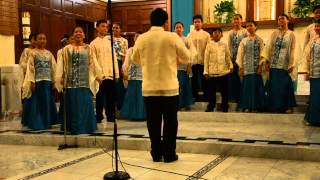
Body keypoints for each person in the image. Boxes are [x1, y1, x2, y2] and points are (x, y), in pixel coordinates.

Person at [132, 8, 191, 163]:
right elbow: (187, 57)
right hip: (169, 87)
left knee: (152, 121)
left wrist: (147, 61)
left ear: (151, 21)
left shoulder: (142, 38)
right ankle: (169, 154)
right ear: (166, 22)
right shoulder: (172, 37)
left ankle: (156, 153)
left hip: (149, 88)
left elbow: (135, 59)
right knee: (171, 121)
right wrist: (174, 60)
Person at [55, 26, 102, 134]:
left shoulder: (89, 48)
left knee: (84, 104)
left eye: (80, 32)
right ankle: (72, 127)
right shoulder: (66, 49)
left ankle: (86, 126)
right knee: (72, 105)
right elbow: (62, 64)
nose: (78, 34)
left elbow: (93, 62)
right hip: (70, 81)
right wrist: (60, 76)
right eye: (76, 32)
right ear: (73, 35)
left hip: (85, 81)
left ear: (84, 35)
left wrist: (98, 75)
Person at [22, 33, 57, 130]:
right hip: (37, 81)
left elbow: (53, 68)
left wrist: (54, 81)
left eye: (44, 39)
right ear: (36, 40)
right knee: (37, 102)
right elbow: (30, 68)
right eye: (40, 38)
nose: (42, 40)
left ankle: (47, 122)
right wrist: (32, 81)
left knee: (47, 102)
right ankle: (38, 122)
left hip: (47, 81)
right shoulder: (32, 53)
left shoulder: (49, 53)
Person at [264, 14, 297, 113]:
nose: (280, 20)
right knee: (274, 85)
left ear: (288, 20)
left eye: (282, 19)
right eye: (279, 19)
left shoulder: (291, 34)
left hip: (285, 64)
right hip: (274, 64)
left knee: (285, 85)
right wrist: (267, 61)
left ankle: (288, 106)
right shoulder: (274, 33)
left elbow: (293, 49)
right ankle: (274, 106)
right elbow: (268, 47)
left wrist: (292, 64)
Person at [90, 19, 119, 123]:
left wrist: (116, 73)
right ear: (97, 27)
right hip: (100, 75)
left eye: (106, 27)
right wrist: (97, 75)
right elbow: (93, 61)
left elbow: (114, 58)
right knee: (100, 97)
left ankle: (110, 115)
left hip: (110, 73)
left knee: (111, 97)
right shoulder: (93, 44)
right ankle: (99, 116)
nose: (105, 28)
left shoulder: (109, 42)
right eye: (102, 26)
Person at [236, 21, 265, 112]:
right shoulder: (244, 40)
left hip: (256, 68)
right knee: (247, 88)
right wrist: (240, 67)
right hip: (246, 68)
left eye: (251, 26)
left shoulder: (260, 40)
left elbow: (263, 53)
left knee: (256, 87)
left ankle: (256, 106)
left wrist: (260, 66)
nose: (249, 27)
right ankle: (247, 105)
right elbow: (240, 54)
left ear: (255, 27)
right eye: (247, 26)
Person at [204, 27, 233, 112]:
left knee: (224, 91)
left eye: (218, 32)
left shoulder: (224, 45)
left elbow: (227, 57)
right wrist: (205, 71)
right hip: (212, 72)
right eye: (215, 32)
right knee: (211, 91)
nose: (216, 34)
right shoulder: (209, 45)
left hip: (223, 72)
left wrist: (230, 66)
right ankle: (211, 106)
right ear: (212, 35)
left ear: (221, 35)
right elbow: (206, 59)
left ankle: (225, 106)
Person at [120, 33, 146, 120]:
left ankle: (142, 114)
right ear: (134, 39)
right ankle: (132, 114)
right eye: (136, 37)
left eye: (139, 37)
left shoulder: (146, 50)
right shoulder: (130, 50)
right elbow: (126, 63)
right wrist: (124, 72)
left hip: (143, 76)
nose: (138, 38)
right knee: (132, 94)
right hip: (133, 75)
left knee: (141, 95)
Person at [187, 15, 211, 101]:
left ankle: (207, 96)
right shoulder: (189, 35)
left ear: (202, 23)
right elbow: (188, 48)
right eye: (195, 22)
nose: (197, 23)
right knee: (194, 80)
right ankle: (195, 97)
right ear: (193, 23)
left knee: (204, 79)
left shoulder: (206, 35)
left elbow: (209, 48)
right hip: (193, 61)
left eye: (198, 22)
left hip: (203, 60)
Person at [174, 21, 197, 110]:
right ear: (174, 29)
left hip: (184, 67)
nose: (178, 29)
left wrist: (189, 64)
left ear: (183, 29)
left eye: (180, 27)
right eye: (177, 27)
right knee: (176, 86)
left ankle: (185, 103)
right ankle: (177, 104)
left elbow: (193, 52)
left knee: (184, 85)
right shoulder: (172, 40)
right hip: (173, 67)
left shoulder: (187, 40)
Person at [302, 19, 320, 126]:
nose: (317, 28)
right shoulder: (313, 40)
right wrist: (307, 71)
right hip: (314, 73)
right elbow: (307, 57)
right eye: (316, 26)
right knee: (315, 96)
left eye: (319, 26)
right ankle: (313, 118)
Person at [228, 14, 247, 105]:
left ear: (241, 20)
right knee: (233, 79)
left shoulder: (245, 31)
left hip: (243, 59)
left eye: (237, 19)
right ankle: (233, 98)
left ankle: (242, 99)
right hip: (233, 59)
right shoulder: (230, 33)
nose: (236, 21)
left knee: (242, 79)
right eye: (234, 19)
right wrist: (230, 59)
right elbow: (229, 46)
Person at [56, 34, 74, 123]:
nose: (73, 40)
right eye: (71, 38)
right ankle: (63, 117)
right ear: (67, 40)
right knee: (65, 98)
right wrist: (61, 76)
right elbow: (60, 64)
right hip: (66, 75)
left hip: (75, 76)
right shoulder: (62, 51)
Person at [20, 33, 37, 126]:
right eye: (34, 39)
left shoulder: (39, 51)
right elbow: (22, 64)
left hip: (38, 77)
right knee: (29, 98)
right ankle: (27, 119)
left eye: (36, 39)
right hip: (28, 76)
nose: (35, 41)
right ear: (30, 40)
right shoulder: (27, 50)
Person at [112, 22, 128, 110]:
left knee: (119, 84)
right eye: (113, 28)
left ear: (120, 29)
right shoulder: (108, 39)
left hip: (118, 62)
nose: (115, 29)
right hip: (109, 63)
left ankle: (120, 105)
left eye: (117, 28)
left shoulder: (124, 41)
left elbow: (124, 55)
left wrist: (123, 67)